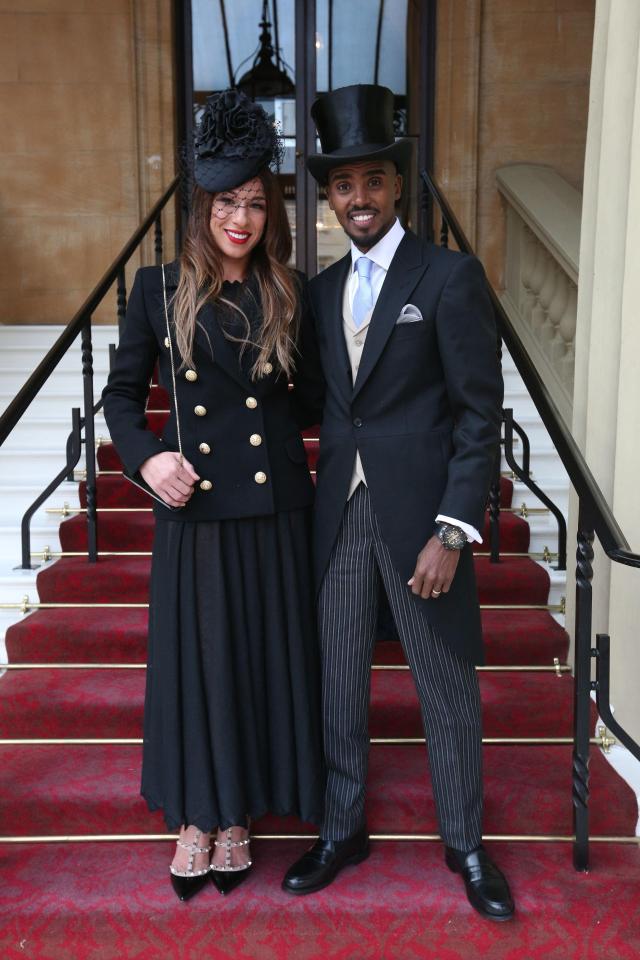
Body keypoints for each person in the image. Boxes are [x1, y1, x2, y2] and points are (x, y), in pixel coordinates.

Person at [282, 84, 514, 922]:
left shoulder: (449, 277)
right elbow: (313, 402)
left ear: (396, 185)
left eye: (371, 181)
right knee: (336, 682)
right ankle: (343, 829)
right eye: (343, 186)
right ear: (330, 196)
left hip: (424, 524)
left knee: (445, 685)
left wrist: (454, 527)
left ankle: (467, 844)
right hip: (338, 518)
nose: (358, 199)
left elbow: (477, 413)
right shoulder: (317, 292)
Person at [103, 89, 324, 902]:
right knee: (203, 668)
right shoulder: (157, 290)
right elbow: (122, 400)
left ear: (274, 212)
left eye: (256, 203)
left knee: (261, 664)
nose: (242, 218)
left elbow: (315, 404)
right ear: (203, 206)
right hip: (195, 511)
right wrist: (148, 460)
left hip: (276, 514)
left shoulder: (291, 292)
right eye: (228, 201)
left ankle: (241, 817)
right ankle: (200, 816)